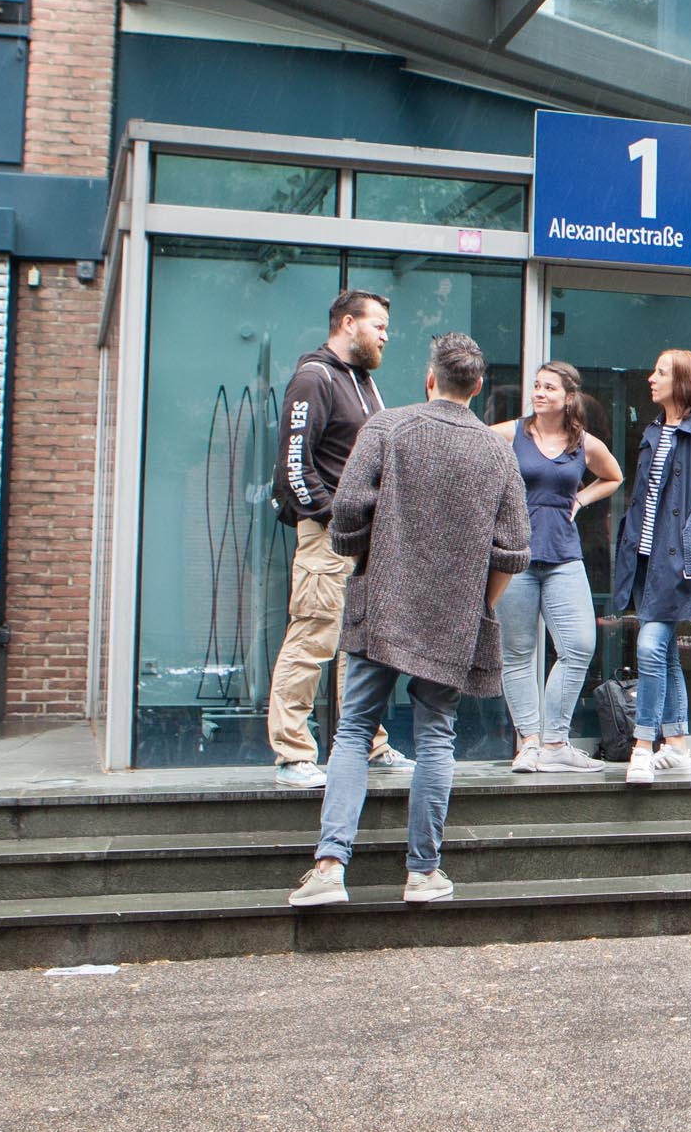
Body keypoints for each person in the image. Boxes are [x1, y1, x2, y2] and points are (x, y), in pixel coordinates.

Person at [286, 333, 529, 909]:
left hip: (382, 607)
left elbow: (345, 511)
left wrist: (364, 555)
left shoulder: (387, 427)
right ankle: (422, 874)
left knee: (351, 732)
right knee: (436, 737)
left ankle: (328, 867)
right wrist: (481, 605)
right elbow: (515, 550)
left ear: (429, 379)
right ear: (476, 387)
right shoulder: (496, 451)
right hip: (453, 618)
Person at [265, 288, 408, 790]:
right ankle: (293, 753)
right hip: (329, 538)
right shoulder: (315, 377)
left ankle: (368, 743)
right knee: (312, 639)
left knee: (362, 645)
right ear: (348, 324)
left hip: (364, 540)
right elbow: (294, 467)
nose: (386, 336)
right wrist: (334, 518)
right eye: (379, 326)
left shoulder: (365, 384)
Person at [492, 361, 623, 774]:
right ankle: (528, 742)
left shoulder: (583, 443)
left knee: (580, 645)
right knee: (516, 653)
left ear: (569, 397)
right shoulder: (510, 432)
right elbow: (469, 450)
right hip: (516, 557)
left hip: (565, 557)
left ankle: (555, 743)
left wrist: (582, 500)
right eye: (536, 386)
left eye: (549, 387)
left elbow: (613, 476)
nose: (539, 392)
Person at [609, 349, 691, 785]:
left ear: (682, 382)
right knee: (665, 657)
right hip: (645, 560)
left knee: (648, 646)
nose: (650, 378)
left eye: (660, 372)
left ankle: (643, 745)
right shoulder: (654, 431)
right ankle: (677, 746)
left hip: (678, 563)